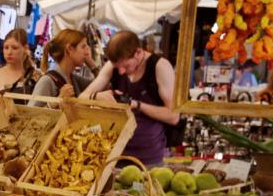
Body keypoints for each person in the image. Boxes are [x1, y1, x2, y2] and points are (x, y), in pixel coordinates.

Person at [80, 30, 180, 166]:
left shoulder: (160, 67)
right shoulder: (113, 66)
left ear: (138, 52)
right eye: (117, 67)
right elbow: (82, 98)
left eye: (126, 66)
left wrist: (136, 105)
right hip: (116, 156)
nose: (121, 72)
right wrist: (97, 96)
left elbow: (173, 116)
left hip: (149, 159)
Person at [31, 28, 95, 102]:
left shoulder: (73, 79)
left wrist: (92, 65)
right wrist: (57, 101)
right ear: (69, 49)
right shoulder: (47, 81)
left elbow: (101, 86)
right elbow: (29, 113)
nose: (87, 52)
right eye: (83, 46)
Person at [0, 28, 40, 95]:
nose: (9, 52)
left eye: (14, 48)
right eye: (6, 47)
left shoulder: (35, 76)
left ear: (25, 48)